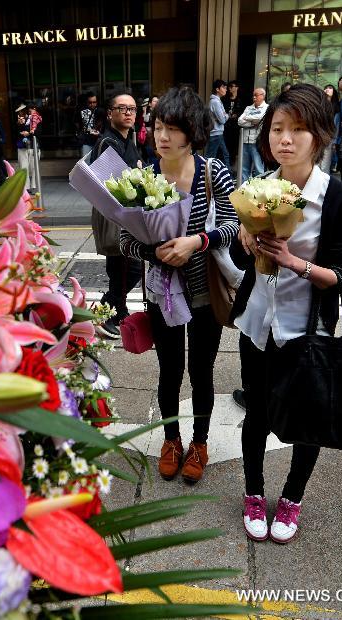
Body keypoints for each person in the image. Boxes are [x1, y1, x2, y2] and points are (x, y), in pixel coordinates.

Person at [231, 83, 342, 544]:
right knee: (258, 413)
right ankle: (253, 492)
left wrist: (295, 262)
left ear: (321, 135)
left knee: (309, 417)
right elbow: (240, 252)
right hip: (258, 324)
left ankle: (291, 498)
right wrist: (245, 241)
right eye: (278, 129)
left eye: (298, 130)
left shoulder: (338, 199)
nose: (284, 140)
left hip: (308, 330)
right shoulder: (257, 188)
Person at [120, 87, 239, 484]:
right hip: (161, 292)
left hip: (204, 290)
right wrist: (156, 253)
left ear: (193, 133)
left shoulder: (212, 172)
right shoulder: (143, 178)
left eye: (172, 128)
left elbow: (233, 225)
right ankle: (171, 439)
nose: (162, 136)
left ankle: (199, 442)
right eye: (157, 126)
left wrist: (196, 242)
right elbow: (125, 239)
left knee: (202, 371)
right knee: (169, 370)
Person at [86, 93, 144, 339]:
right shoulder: (108, 142)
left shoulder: (126, 139)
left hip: (122, 214)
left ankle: (118, 312)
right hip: (114, 214)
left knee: (120, 268)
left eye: (132, 108)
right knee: (128, 268)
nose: (129, 113)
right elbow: (115, 183)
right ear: (110, 113)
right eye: (123, 108)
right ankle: (104, 311)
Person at [237, 88, 268, 182]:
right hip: (245, 141)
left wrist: (248, 118)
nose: (254, 97)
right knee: (244, 169)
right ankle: (244, 190)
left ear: (263, 96)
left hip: (256, 142)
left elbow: (260, 119)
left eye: (256, 95)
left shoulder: (267, 108)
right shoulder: (248, 108)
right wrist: (252, 123)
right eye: (253, 95)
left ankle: (259, 191)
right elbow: (240, 121)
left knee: (259, 168)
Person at [15, 105, 39, 193]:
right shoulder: (18, 122)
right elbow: (16, 134)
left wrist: (29, 133)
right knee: (23, 168)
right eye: (19, 112)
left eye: (22, 111)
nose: (20, 113)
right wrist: (20, 125)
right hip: (22, 147)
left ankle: (34, 186)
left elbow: (38, 131)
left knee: (34, 168)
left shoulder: (35, 118)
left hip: (33, 147)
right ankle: (26, 188)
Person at [206, 80, 230, 167]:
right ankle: (204, 176)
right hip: (215, 133)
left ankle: (227, 175)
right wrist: (227, 115)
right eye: (224, 88)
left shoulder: (217, 101)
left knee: (223, 155)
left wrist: (225, 115)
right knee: (210, 158)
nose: (226, 90)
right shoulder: (215, 102)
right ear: (217, 89)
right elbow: (222, 120)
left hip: (217, 132)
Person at [222, 80, 242, 169]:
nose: (230, 89)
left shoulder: (240, 100)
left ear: (237, 88)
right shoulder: (224, 99)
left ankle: (232, 168)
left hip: (236, 128)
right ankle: (226, 168)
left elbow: (243, 112)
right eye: (229, 87)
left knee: (234, 149)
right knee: (225, 148)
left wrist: (237, 115)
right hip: (226, 127)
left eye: (232, 86)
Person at [322, 84, 341, 173]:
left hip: (329, 136)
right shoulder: (320, 105)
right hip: (319, 134)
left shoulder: (336, 106)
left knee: (326, 160)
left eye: (330, 88)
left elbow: (336, 124)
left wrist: (335, 140)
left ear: (334, 92)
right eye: (325, 88)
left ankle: (324, 181)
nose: (327, 89)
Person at [142, 96, 158, 162]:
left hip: (156, 137)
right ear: (150, 104)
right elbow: (145, 120)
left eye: (158, 101)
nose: (157, 102)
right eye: (155, 101)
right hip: (149, 137)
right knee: (150, 155)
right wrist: (144, 111)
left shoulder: (159, 112)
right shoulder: (148, 112)